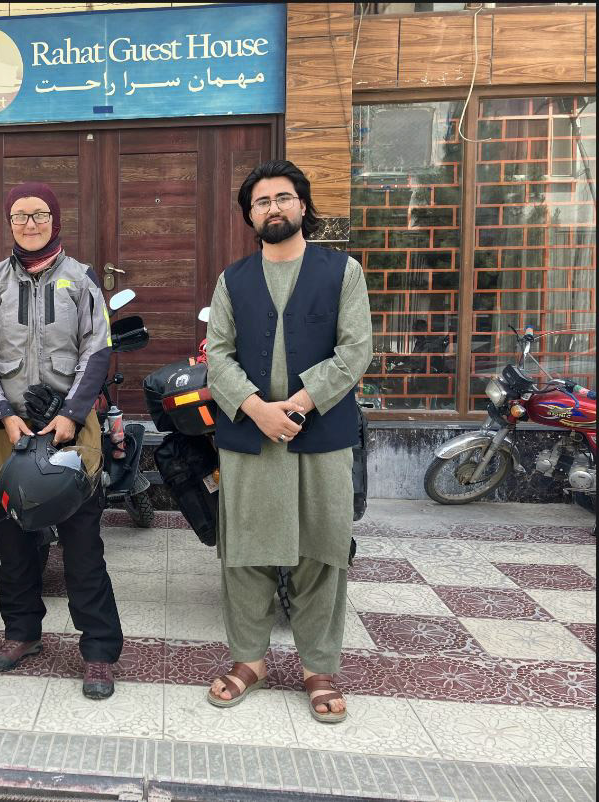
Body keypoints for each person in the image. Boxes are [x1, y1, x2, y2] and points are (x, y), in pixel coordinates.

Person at [204, 160, 373, 723]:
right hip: (249, 435)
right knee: (245, 553)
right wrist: (257, 409)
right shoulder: (233, 280)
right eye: (261, 201)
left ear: (302, 204)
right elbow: (217, 356)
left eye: (282, 197)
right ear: (249, 216)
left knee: (321, 552)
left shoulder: (342, 271)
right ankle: (249, 661)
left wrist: (296, 406)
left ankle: (318, 668)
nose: (273, 208)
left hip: (320, 434)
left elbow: (355, 350)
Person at [0, 181, 123, 700]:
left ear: (55, 221)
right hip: (8, 433)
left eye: (38, 215)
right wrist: (3, 417)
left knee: (83, 547)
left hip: (69, 431)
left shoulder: (82, 279)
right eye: (19, 215)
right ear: (9, 223)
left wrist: (72, 415)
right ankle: (21, 633)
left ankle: (98, 650)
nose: (29, 224)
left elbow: (97, 349)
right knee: (14, 545)